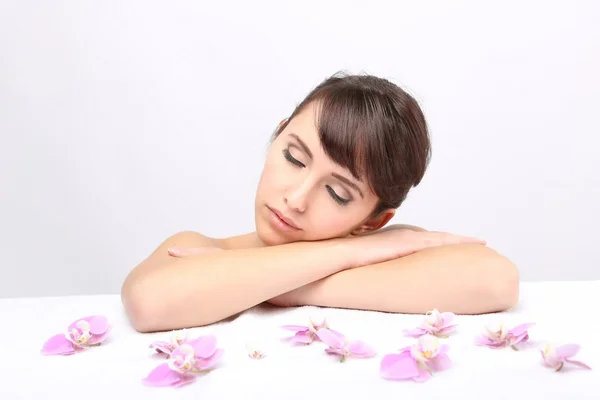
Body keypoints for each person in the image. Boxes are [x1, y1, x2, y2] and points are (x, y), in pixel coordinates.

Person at [121, 72, 519, 333]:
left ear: (373, 222)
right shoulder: (199, 246)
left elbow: (496, 281)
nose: (295, 199)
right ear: (278, 136)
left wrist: (290, 288)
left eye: (337, 193)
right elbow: (148, 303)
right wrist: (347, 252)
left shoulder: (393, 252)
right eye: (294, 157)